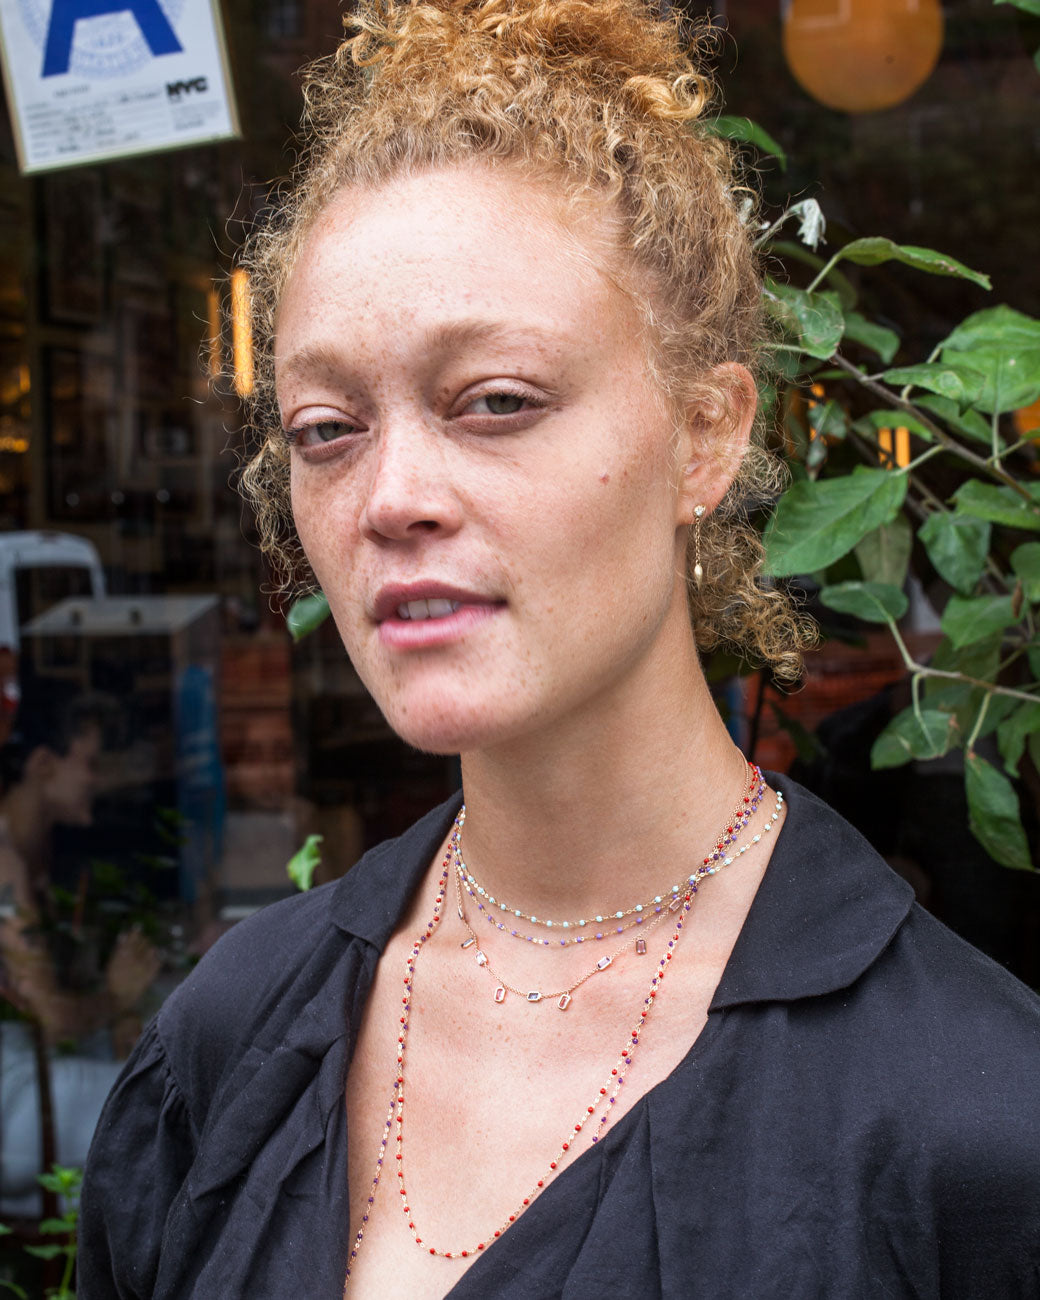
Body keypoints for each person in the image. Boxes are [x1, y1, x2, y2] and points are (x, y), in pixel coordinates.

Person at [80, 2, 1040, 1296]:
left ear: (704, 435)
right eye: (324, 427)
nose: (390, 497)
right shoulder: (232, 1042)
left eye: (495, 402)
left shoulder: (973, 1123)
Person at [0, 682, 159, 1213]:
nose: (99, 780)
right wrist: (114, 999)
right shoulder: (5, 865)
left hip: (29, 1087)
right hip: (16, 1101)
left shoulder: (35, 860)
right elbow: (51, 1019)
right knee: (174, 1104)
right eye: (90, 762)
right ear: (44, 764)